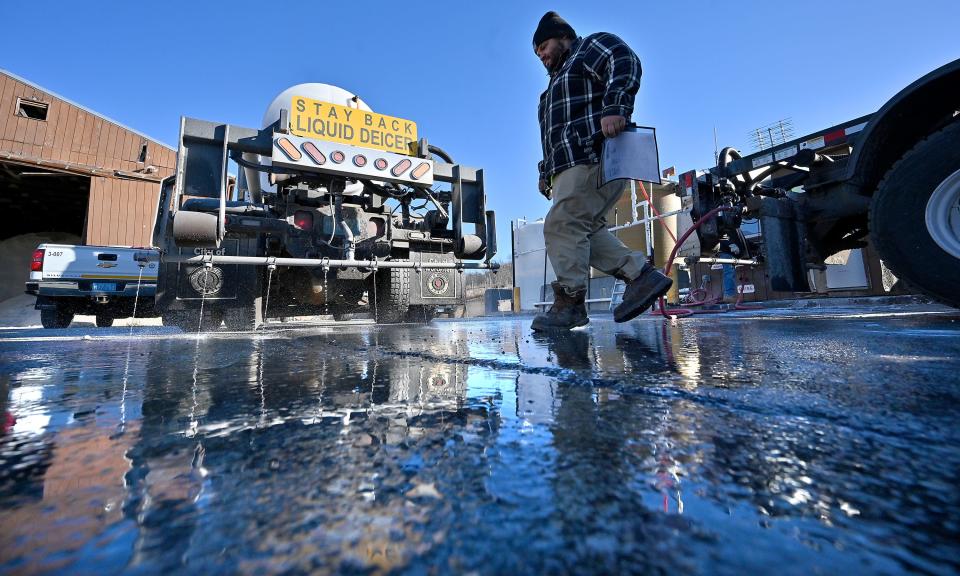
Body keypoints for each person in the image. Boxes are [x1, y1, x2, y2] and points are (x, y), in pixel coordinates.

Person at [531, 11, 672, 332]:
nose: (541, 55)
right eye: (537, 52)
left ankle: (570, 304)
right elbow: (550, 136)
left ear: (562, 36)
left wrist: (615, 108)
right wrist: (545, 171)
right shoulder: (551, 89)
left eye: (543, 46)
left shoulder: (588, 48)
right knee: (583, 231)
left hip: (593, 153)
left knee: (562, 225)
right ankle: (641, 276)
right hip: (567, 165)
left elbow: (624, 60)